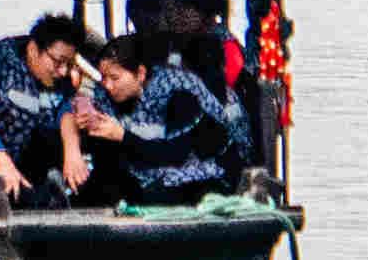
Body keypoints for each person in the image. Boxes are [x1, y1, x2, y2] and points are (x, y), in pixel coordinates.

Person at [71, 35, 253, 206]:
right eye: (104, 78)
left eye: (115, 78)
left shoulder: (180, 94)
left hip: (200, 176)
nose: (108, 85)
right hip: (149, 172)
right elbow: (87, 99)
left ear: (140, 73)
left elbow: (174, 154)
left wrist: (122, 136)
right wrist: (84, 108)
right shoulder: (109, 94)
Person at [0, 14, 93, 201]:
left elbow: (64, 107)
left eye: (69, 64)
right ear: (33, 50)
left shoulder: (54, 76)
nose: (64, 71)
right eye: (58, 62)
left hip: (16, 156)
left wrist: (72, 151)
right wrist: (4, 165)